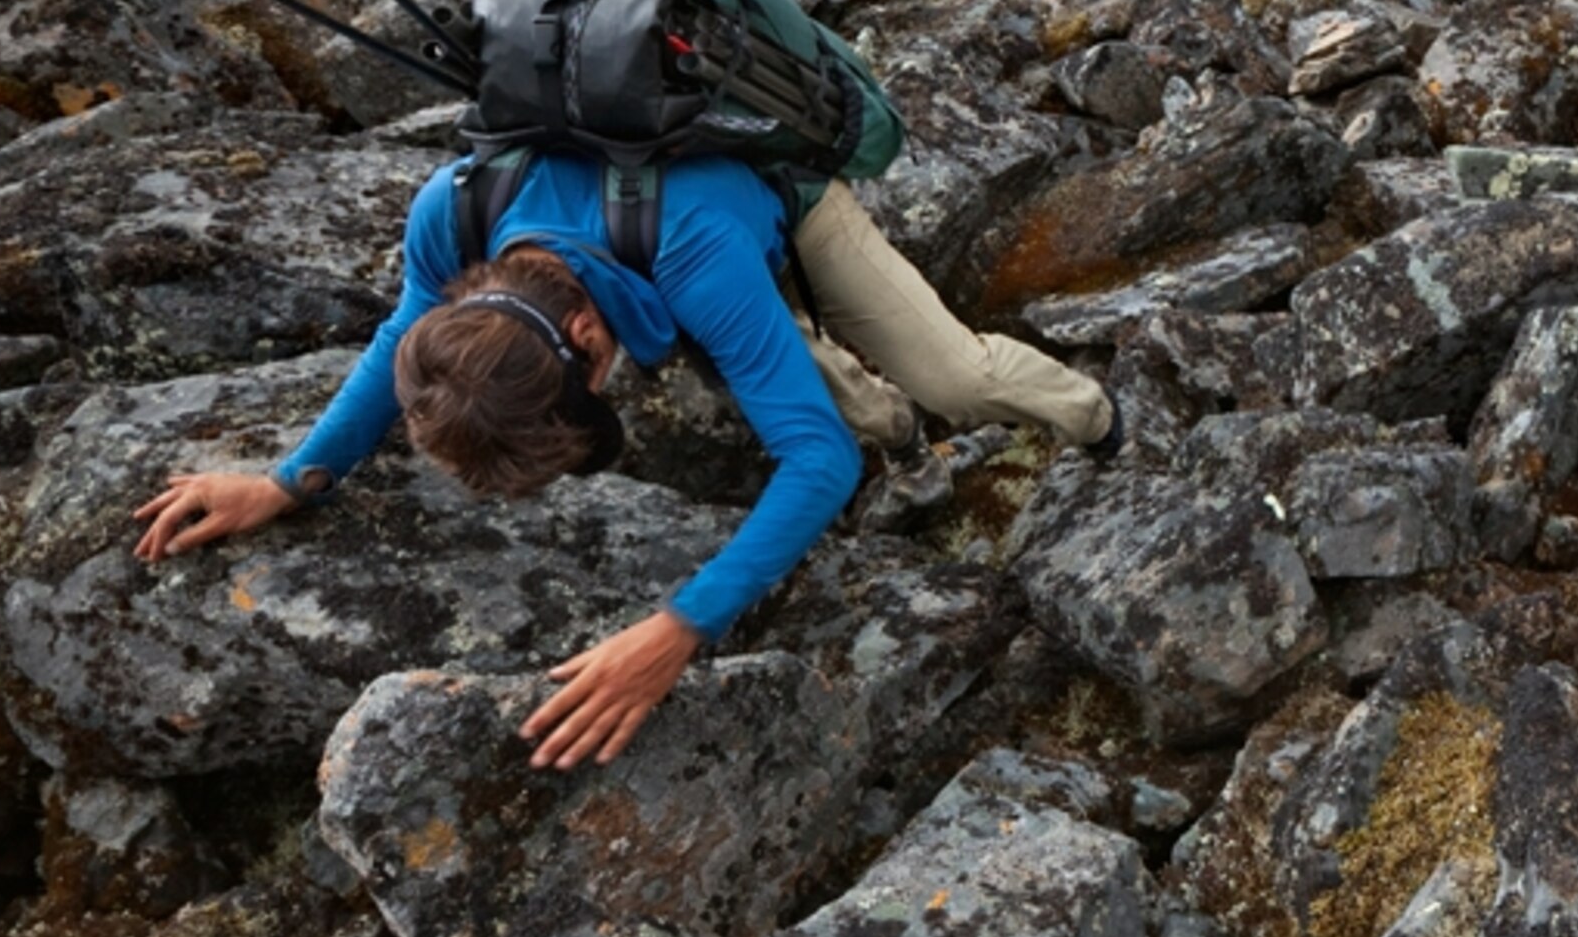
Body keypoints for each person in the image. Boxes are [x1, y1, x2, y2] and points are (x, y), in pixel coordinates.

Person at [131, 153, 1115, 769]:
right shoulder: (455, 210)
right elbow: (401, 335)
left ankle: (1101, 419)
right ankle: (895, 431)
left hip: (764, 206)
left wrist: (679, 628)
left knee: (950, 375)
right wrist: (288, 479)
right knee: (808, 385)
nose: (608, 394)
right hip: (662, 256)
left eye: (592, 381)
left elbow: (816, 464)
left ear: (582, 330)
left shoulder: (693, 254)